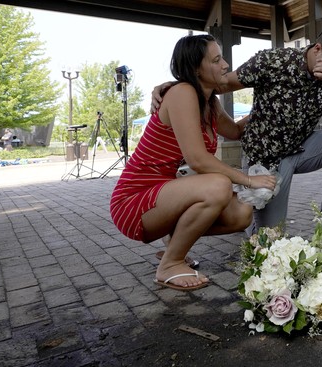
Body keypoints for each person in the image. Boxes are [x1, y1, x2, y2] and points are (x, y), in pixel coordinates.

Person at [152, 23, 322, 231]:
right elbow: (220, 83)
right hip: (267, 158)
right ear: (317, 49)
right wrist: (177, 86)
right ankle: (251, 221)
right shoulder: (273, 61)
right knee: (269, 237)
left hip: (303, 148)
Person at [110, 34, 276, 292]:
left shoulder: (209, 102)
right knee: (219, 185)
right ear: (196, 68)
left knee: (242, 214)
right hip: (134, 201)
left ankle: (174, 242)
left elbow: (234, 131)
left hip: (165, 195)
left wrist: (269, 108)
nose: (225, 66)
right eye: (216, 60)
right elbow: (198, 160)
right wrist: (247, 179)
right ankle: (170, 263)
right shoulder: (182, 93)